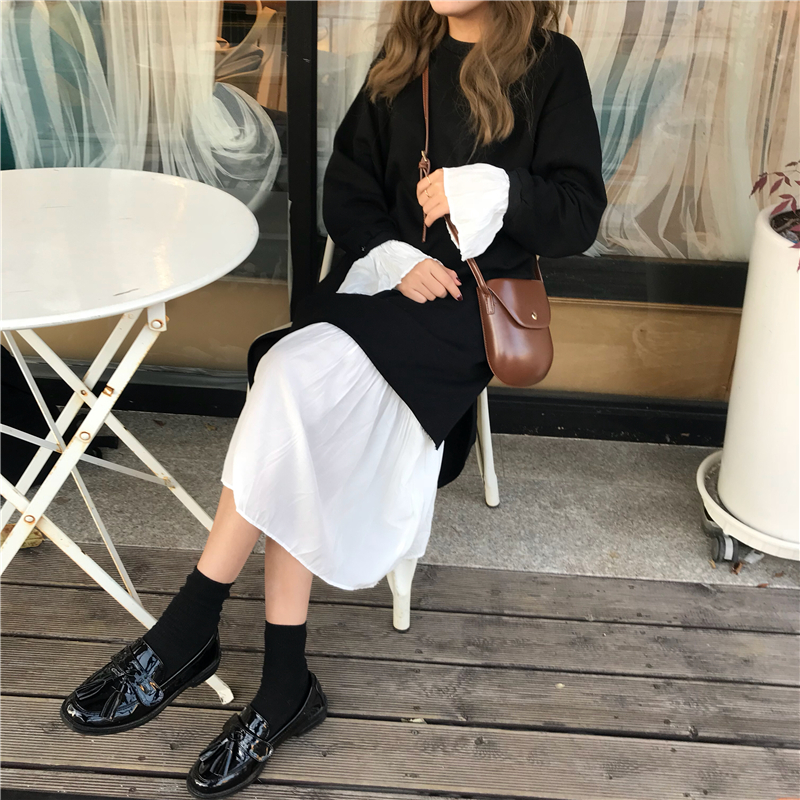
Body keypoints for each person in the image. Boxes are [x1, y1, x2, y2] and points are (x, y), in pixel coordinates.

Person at [60, 2, 607, 797]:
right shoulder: (406, 58)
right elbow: (345, 196)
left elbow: (577, 215)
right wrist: (395, 254)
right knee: (296, 393)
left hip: (467, 309)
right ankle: (278, 682)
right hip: (384, 285)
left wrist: (486, 188)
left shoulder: (551, 64)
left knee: (292, 385)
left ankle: (194, 631)